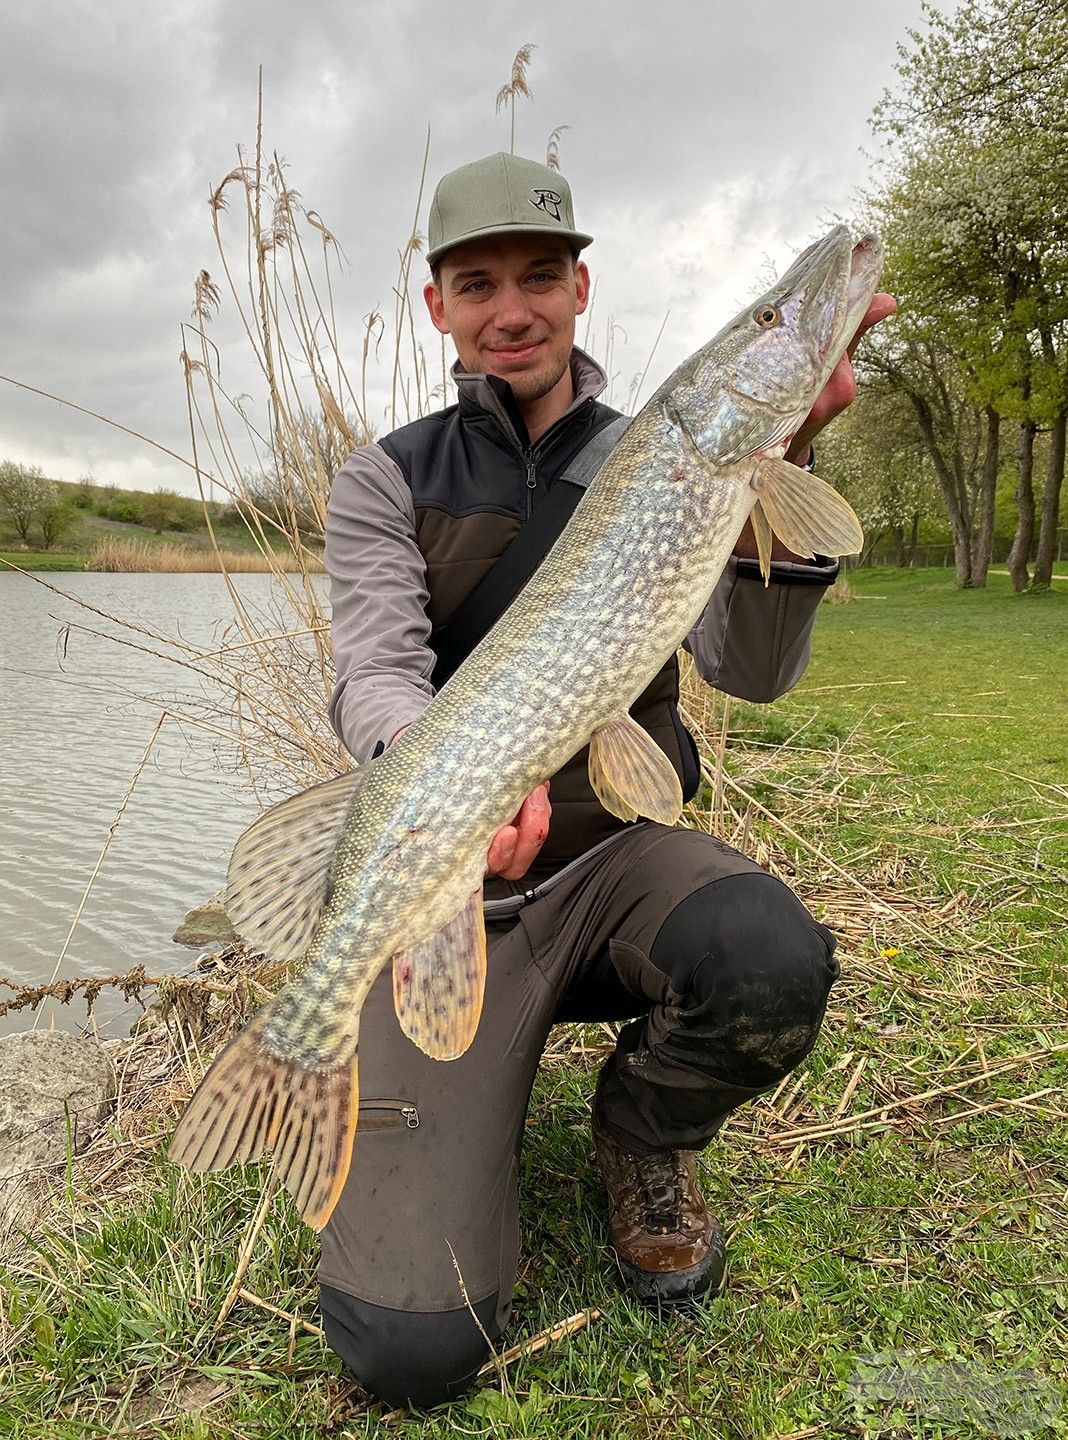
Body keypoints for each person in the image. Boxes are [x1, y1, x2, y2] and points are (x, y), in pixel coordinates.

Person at [319, 151, 895, 1409]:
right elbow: (374, 670)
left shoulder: (674, 449)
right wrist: (443, 800)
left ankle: (642, 1131)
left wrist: (781, 461)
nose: (511, 307)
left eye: (540, 275)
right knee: (407, 1348)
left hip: (618, 865)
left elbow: (749, 670)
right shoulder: (385, 480)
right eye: (478, 283)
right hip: (453, 901)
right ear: (440, 307)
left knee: (771, 956)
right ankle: (387, 1095)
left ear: (582, 290)